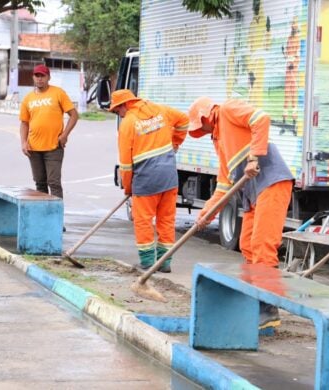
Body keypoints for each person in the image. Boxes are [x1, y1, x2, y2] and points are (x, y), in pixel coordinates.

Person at [187, 97, 294, 326]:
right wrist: (206, 214)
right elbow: (224, 187)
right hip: (251, 193)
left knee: (262, 244)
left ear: (205, 117)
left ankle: (268, 307)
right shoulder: (219, 141)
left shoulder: (227, 110)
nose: (202, 132)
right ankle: (252, 299)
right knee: (246, 244)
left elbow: (260, 119)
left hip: (271, 183)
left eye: (200, 126)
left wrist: (254, 157)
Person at [109, 89, 188, 272]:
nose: (118, 114)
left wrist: (128, 188)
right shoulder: (160, 110)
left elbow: (126, 164)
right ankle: (165, 263)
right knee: (166, 219)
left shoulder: (128, 124)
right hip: (169, 176)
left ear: (124, 105)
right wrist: (175, 143)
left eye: (116, 111)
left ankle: (147, 262)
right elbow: (183, 120)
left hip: (146, 179)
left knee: (143, 220)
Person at [19, 64, 78, 203]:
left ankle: (56, 221)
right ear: (33, 77)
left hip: (54, 147)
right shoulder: (28, 99)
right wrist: (23, 142)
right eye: (37, 76)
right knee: (40, 183)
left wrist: (64, 135)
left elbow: (74, 115)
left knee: (54, 183)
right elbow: (24, 123)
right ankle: (43, 219)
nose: (39, 79)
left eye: (42, 76)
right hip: (33, 149)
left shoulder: (58, 93)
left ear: (48, 77)